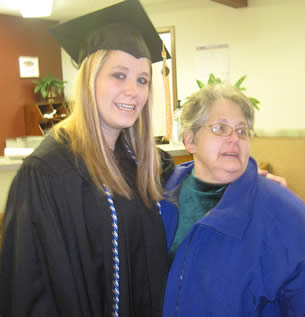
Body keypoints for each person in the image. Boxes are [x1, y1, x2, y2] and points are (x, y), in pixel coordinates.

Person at [0, 1, 173, 316]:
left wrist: (243, 181)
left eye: (142, 80)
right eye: (119, 75)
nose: (133, 91)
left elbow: (191, 184)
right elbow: (28, 289)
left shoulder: (140, 161)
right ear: (89, 79)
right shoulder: (47, 173)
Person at [161, 83, 305, 316]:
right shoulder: (159, 196)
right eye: (220, 128)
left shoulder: (287, 213)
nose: (234, 139)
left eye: (242, 130)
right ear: (190, 140)